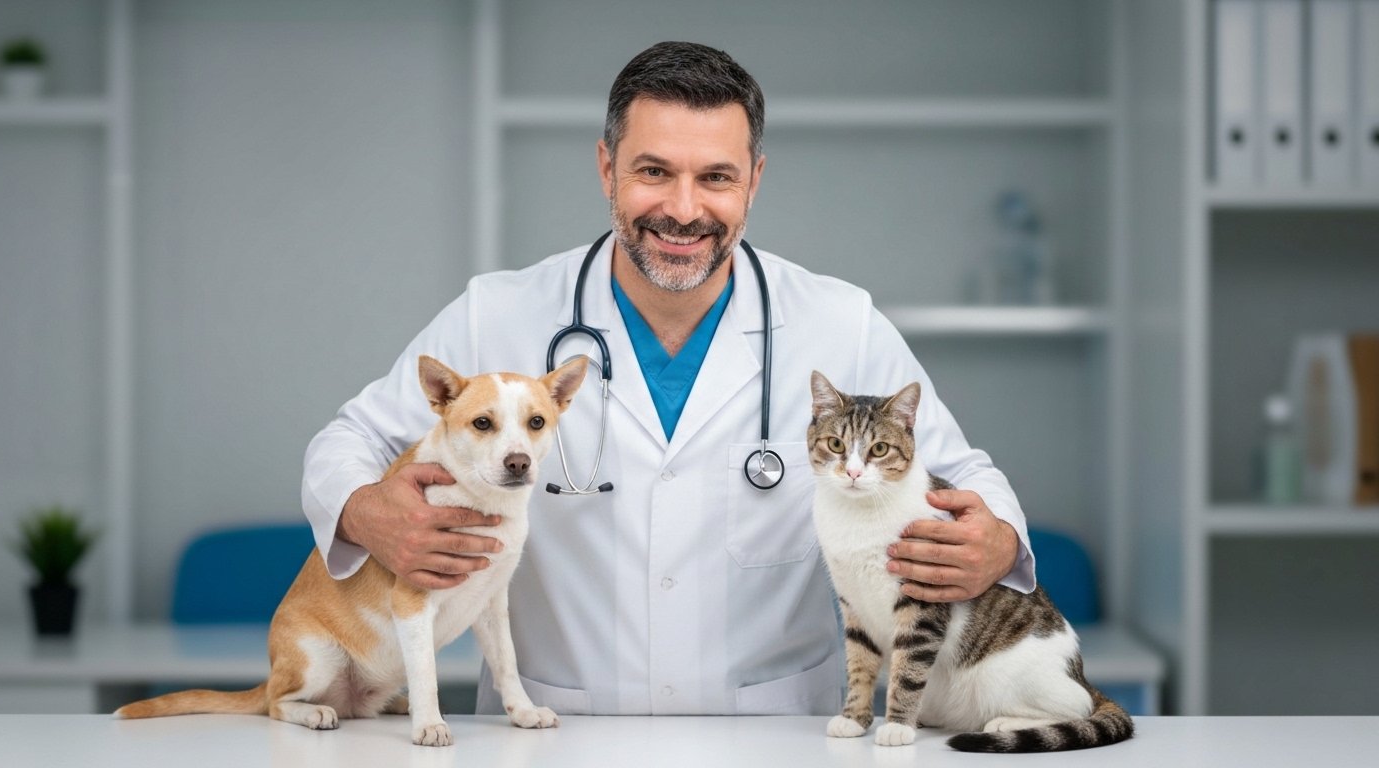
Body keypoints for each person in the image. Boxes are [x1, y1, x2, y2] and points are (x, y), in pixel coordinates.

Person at [302, 41, 1035, 716]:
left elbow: (965, 473)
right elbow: (352, 438)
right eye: (653, 171)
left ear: (754, 180)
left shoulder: (841, 322)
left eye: (715, 177)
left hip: (777, 735)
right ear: (605, 168)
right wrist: (366, 512)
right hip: (558, 732)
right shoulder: (500, 311)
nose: (684, 211)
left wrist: (997, 542)